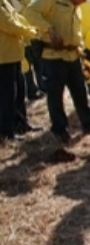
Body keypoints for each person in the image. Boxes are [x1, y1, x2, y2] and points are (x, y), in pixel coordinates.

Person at [24, 0, 90, 145]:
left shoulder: (76, 9)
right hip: (53, 57)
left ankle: (89, 124)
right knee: (55, 96)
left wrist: (82, 55)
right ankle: (60, 130)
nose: (84, 2)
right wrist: (48, 28)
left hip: (73, 56)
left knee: (80, 92)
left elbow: (76, 33)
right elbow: (29, 12)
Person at [0, 0, 39, 143]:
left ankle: (21, 124)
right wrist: (29, 31)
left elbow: (16, 17)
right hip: (3, 58)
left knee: (19, 91)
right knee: (7, 96)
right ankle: (6, 132)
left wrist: (30, 27)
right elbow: (9, 24)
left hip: (14, 54)